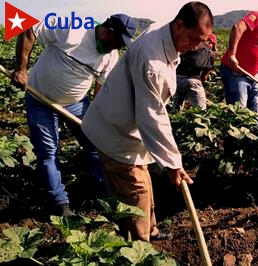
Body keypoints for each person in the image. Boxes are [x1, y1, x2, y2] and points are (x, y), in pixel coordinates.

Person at [81, 2, 213, 242]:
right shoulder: (152, 63)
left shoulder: (165, 35)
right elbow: (152, 116)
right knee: (135, 189)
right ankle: (139, 247)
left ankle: (150, 230)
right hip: (115, 133)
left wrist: (172, 161)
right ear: (180, 25)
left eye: (200, 41)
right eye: (193, 39)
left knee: (144, 183)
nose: (195, 46)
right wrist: (174, 164)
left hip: (124, 125)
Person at [11, 14, 136, 216]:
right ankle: (61, 204)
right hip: (40, 99)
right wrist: (21, 69)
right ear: (107, 31)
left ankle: (104, 193)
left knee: (96, 145)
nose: (117, 48)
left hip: (75, 104)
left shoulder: (110, 56)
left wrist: (98, 117)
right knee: (48, 152)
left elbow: (100, 88)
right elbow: (29, 30)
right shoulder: (72, 27)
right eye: (118, 42)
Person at [172, 33, 217, 111]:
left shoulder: (186, 45)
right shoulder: (210, 53)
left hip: (177, 79)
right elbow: (204, 76)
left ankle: (174, 120)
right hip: (193, 80)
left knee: (176, 107)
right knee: (201, 111)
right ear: (210, 42)